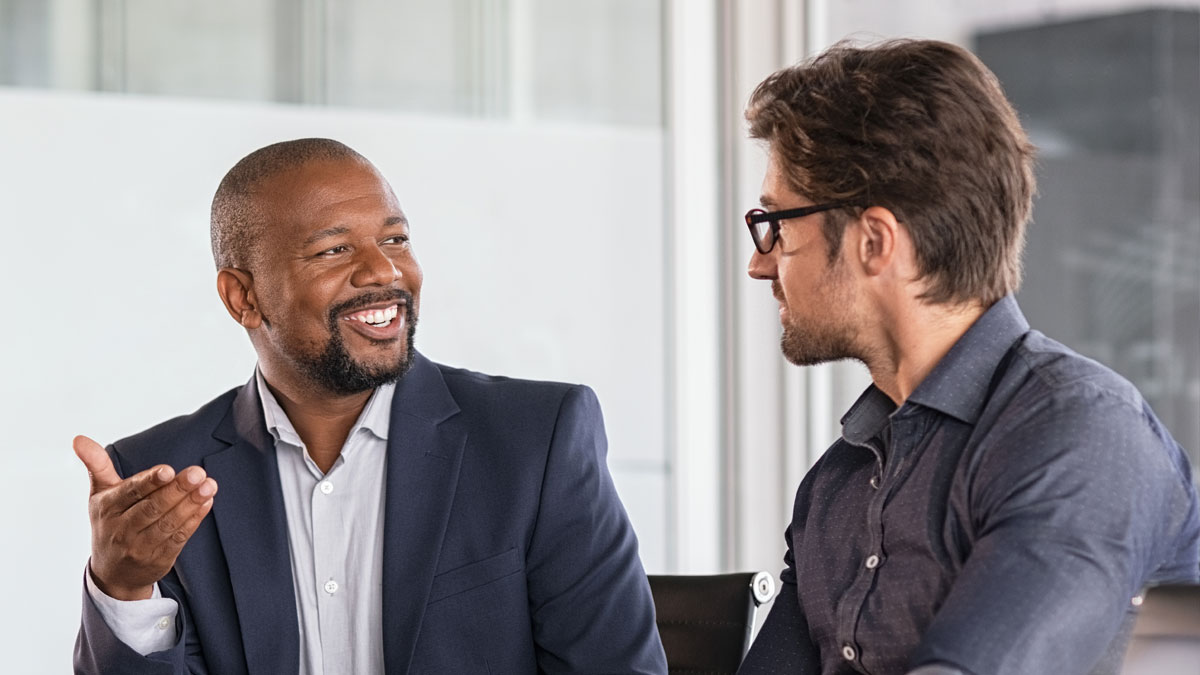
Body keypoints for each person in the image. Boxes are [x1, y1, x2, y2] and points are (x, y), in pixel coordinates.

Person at [73, 138, 667, 674]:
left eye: (395, 239)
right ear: (243, 297)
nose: (384, 271)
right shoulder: (161, 480)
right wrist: (123, 592)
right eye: (333, 250)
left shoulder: (536, 442)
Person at [735, 39, 1200, 675]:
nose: (760, 263)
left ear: (875, 241)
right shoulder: (837, 483)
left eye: (778, 225)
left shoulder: (1082, 432)